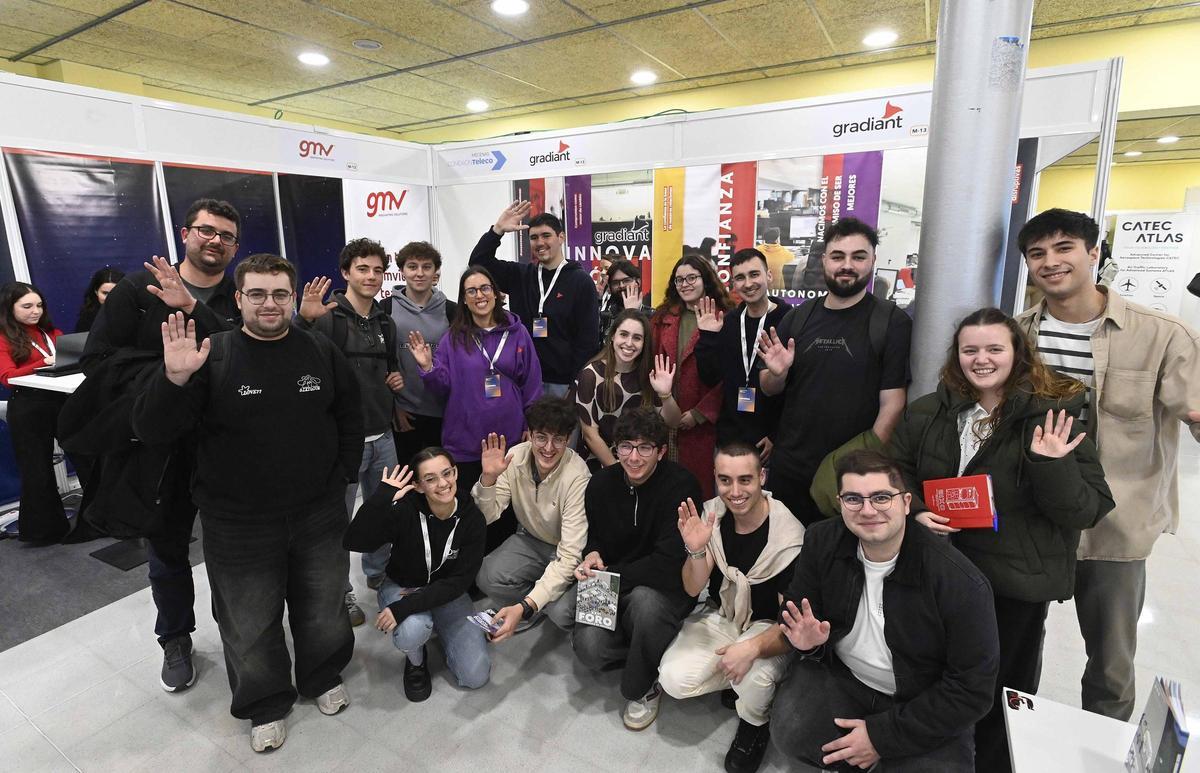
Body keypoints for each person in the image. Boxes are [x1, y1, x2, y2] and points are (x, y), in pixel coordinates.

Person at [131, 254, 362, 753]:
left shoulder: (319, 350)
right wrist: (172, 379)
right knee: (248, 620)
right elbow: (152, 429)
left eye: (279, 294)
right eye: (256, 294)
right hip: (237, 522)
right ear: (238, 299)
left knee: (323, 606)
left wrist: (343, 474)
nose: (269, 304)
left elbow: (349, 413)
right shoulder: (211, 354)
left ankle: (322, 675)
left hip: (318, 513)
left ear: (293, 297)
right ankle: (266, 702)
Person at [888, 307, 1114, 773]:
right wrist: (916, 509)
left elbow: (1087, 508)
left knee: (1003, 686)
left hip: (1014, 581)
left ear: (1018, 353)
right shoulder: (930, 410)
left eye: (994, 349)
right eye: (970, 350)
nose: (981, 359)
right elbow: (897, 471)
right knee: (937, 675)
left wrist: (1051, 464)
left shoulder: (1052, 415)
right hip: (942, 570)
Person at [1014, 208, 1200, 721]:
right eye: (1037, 253)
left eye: (1064, 248)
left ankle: (1105, 746)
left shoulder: (1161, 334)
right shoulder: (1017, 335)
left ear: (1094, 253)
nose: (1051, 262)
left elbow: (1193, 411)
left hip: (1115, 521)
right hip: (1031, 518)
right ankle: (1012, 738)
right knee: (1015, 646)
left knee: (1111, 664)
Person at [74, 198, 242, 694]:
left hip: (225, 444)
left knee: (232, 550)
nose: (215, 241)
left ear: (235, 247)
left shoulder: (239, 294)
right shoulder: (139, 291)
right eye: (206, 230)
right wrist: (169, 374)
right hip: (159, 447)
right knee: (167, 551)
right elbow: (97, 362)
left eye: (226, 236)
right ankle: (175, 638)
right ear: (185, 233)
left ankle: (240, 631)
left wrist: (194, 311)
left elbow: (245, 356)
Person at [771, 449, 1000, 772]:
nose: (868, 510)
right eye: (853, 499)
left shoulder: (960, 582)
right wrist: (808, 643)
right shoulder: (822, 540)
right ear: (840, 503)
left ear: (906, 503)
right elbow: (796, 610)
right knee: (791, 731)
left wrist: (881, 737)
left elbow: (971, 690)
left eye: (881, 497)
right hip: (845, 677)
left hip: (921, 698)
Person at [658, 442, 804, 773]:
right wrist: (696, 550)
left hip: (770, 627)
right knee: (673, 678)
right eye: (725, 480)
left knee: (754, 678)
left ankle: (755, 721)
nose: (735, 492)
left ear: (762, 477)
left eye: (745, 480)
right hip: (723, 613)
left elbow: (790, 628)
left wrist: (751, 649)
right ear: (715, 477)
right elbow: (692, 587)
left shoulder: (789, 536)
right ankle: (735, 683)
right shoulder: (713, 515)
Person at [756, 217, 912, 525]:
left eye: (858, 256)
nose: (847, 265)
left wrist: (865, 466)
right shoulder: (797, 318)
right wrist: (777, 373)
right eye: (838, 256)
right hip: (790, 469)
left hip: (851, 475)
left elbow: (893, 405)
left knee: (843, 553)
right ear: (824, 260)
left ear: (873, 260)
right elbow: (767, 387)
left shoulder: (890, 322)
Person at [572, 407, 702, 731]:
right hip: (616, 579)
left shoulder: (682, 486)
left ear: (661, 451)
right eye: (626, 446)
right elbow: (595, 537)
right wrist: (592, 555)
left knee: (645, 604)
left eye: (645, 447)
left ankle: (644, 685)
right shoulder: (600, 484)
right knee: (588, 649)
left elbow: (668, 564)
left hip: (663, 588)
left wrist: (612, 574)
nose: (633, 457)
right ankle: (651, 646)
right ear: (616, 449)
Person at [296, 237, 404, 624]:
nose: (371, 276)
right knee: (336, 523)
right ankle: (340, 592)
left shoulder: (386, 322)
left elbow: (390, 368)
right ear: (346, 272)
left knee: (383, 512)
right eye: (362, 268)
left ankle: (378, 572)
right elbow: (295, 360)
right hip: (343, 443)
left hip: (383, 437)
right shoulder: (327, 317)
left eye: (377, 270)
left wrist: (396, 380)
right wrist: (304, 321)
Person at [344, 450, 490, 702]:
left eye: (447, 473)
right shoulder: (405, 510)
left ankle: (441, 627)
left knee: (475, 676)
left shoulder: (471, 518)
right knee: (412, 630)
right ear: (418, 486)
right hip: (403, 585)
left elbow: (459, 582)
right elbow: (353, 541)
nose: (442, 483)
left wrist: (405, 607)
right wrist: (381, 499)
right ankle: (416, 661)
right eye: (430, 479)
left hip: (447, 592)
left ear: (455, 472)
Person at [408, 265, 542, 495]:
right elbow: (441, 388)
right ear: (464, 299)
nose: (479, 295)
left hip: (509, 438)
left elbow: (531, 382)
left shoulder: (517, 333)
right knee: (470, 505)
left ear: (496, 293)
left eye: (485, 288)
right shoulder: (452, 338)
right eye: (471, 291)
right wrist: (428, 367)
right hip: (466, 441)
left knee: (508, 507)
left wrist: (532, 423)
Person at [473, 397, 590, 638]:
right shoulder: (514, 457)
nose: (548, 448)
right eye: (541, 437)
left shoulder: (578, 476)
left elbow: (570, 555)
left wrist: (525, 605)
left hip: (568, 549)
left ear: (569, 439)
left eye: (558, 439)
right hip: (530, 539)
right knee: (485, 575)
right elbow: (485, 516)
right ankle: (531, 611)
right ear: (530, 434)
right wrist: (488, 479)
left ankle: (527, 608)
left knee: (561, 613)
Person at [469, 200, 599, 397]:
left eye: (546, 235)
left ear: (561, 237)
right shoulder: (520, 275)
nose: (540, 242)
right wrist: (497, 231)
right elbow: (478, 263)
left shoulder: (580, 281)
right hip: (524, 379)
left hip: (562, 384)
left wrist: (576, 384)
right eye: (534, 237)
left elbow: (587, 341)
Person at [652, 255, 734, 498]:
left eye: (691, 278)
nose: (685, 284)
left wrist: (700, 414)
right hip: (666, 416)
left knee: (698, 491)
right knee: (665, 491)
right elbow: (651, 362)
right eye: (679, 280)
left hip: (703, 425)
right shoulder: (662, 318)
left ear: (705, 279)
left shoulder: (725, 317)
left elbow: (729, 374)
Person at [695, 249, 789, 459]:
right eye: (740, 278)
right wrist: (708, 337)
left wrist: (777, 434)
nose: (748, 283)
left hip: (772, 442)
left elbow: (798, 387)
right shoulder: (729, 322)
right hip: (730, 439)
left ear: (769, 276)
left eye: (754, 274)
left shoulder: (789, 320)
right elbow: (710, 377)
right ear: (733, 284)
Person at [0, 282, 71, 543]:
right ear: (10, 308)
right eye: (27, 306)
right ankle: (44, 531)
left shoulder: (51, 332)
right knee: (37, 470)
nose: (35, 311)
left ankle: (98, 518)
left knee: (89, 454)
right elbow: (7, 377)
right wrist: (43, 363)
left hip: (62, 401)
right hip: (28, 406)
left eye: (39, 305)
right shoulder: (3, 337)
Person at [381, 241, 458, 476]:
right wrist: (394, 407)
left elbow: (458, 362)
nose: (420, 273)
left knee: (442, 478)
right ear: (402, 271)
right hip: (405, 413)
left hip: (444, 411)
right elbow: (383, 363)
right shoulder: (385, 308)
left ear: (436, 272)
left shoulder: (452, 310)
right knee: (409, 479)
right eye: (412, 266)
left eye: (426, 267)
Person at [576, 309, 682, 468]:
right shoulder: (590, 375)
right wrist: (619, 472)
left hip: (642, 462)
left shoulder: (650, 375)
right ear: (613, 336)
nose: (629, 343)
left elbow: (674, 422)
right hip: (602, 465)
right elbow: (590, 435)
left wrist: (665, 395)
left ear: (644, 343)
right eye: (624, 334)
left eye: (637, 338)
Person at [597, 258, 653, 346]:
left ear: (638, 282)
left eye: (626, 280)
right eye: (616, 283)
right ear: (610, 287)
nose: (621, 286)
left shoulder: (652, 316)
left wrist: (631, 312)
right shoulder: (604, 316)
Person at [74, 267, 125, 332]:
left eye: (115, 292)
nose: (109, 298)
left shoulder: (134, 315)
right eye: (105, 293)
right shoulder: (86, 320)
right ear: (96, 291)